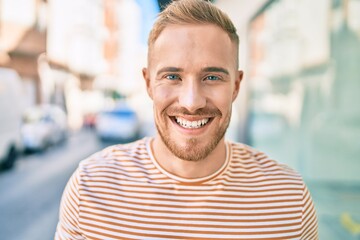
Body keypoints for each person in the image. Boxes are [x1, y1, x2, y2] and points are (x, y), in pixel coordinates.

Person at [55, 0, 318, 239]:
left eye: (212, 77)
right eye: (172, 77)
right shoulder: (90, 190)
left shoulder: (288, 199)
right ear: (148, 83)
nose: (192, 102)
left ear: (236, 86)